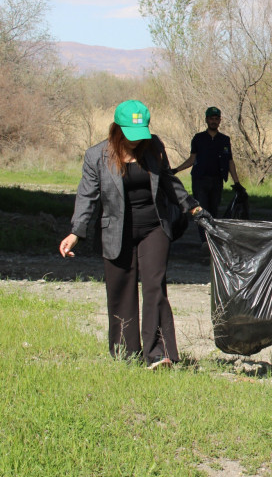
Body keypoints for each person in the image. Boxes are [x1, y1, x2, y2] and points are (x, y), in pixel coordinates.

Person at [59, 100, 203, 368]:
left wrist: (192, 207)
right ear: (116, 129)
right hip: (117, 230)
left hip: (154, 228)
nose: (136, 142)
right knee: (121, 290)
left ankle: (158, 354)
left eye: (140, 135)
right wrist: (76, 232)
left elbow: (169, 181)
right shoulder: (96, 156)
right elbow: (86, 197)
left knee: (154, 287)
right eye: (130, 135)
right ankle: (126, 354)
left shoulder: (154, 148)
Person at [172, 106, 243, 241]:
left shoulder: (224, 140)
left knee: (213, 211)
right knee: (201, 210)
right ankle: (204, 241)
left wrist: (237, 182)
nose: (214, 121)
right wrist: (176, 170)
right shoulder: (198, 138)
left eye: (216, 119)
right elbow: (192, 159)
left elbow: (230, 162)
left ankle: (211, 239)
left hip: (217, 180)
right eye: (211, 118)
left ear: (220, 121)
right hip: (200, 180)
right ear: (206, 120)